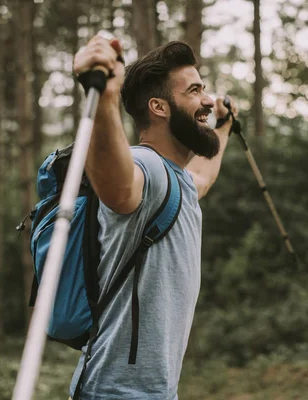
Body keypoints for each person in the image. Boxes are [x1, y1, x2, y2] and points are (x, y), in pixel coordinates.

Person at [69, 36, 237, 399]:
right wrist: (105, 99)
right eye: (194, 91)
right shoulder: (146, 166)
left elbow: (203, 178)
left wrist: (223, 126)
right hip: (116, 393)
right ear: (159, 107)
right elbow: (118, 187)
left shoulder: (179, 180)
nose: (206, 99)